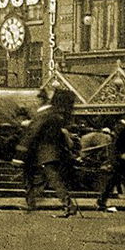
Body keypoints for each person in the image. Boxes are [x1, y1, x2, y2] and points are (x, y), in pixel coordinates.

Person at [16, 88, 79, 217]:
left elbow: (32, 133)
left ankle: (68, 205)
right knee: (44, 178)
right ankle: (32, 202)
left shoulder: (43, 115)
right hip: (52, 153)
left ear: (41, 100)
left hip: (42, 153)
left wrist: (20, 154)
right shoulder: (55, 115)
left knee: (51, 179)